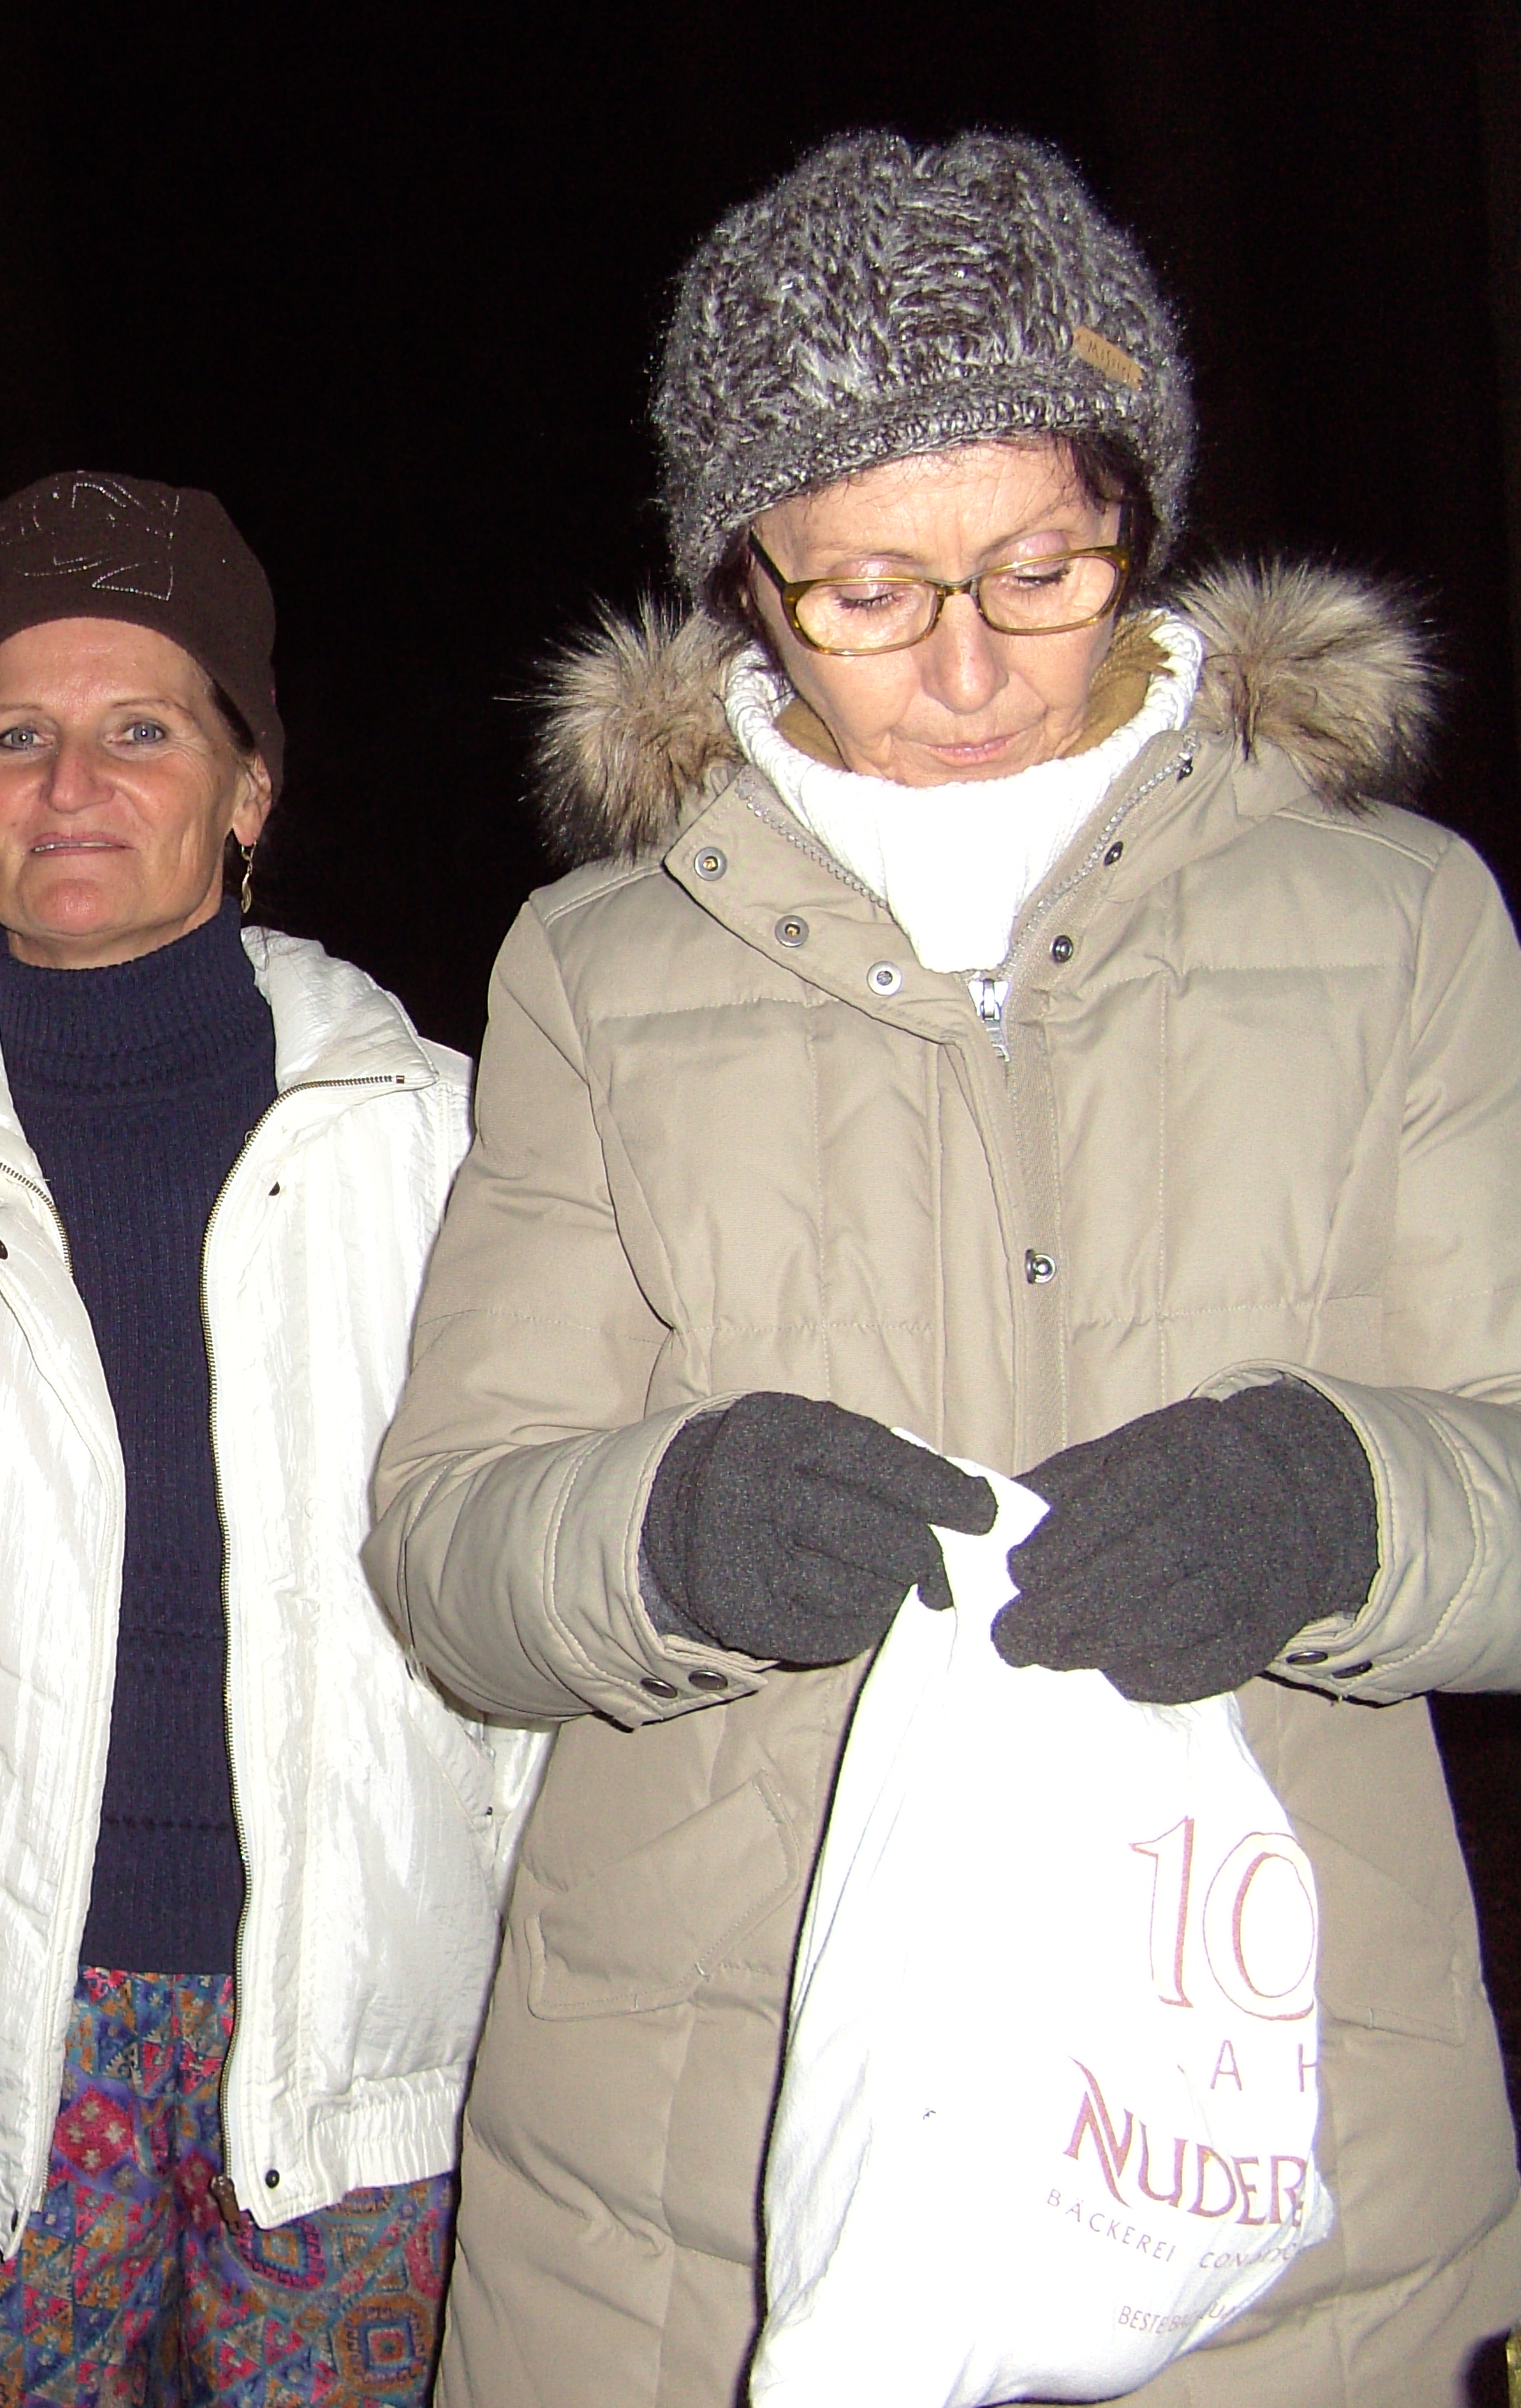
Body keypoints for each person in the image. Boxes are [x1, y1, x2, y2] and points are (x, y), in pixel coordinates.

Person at [365, 128, 1521, 2404]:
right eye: (871, 592)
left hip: (1264, 2156)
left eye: (1040, 567)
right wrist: (667, 1533)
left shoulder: (1399, 919)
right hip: (700, 2203)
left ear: (1139, 518)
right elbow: (451, 1554)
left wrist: (1341, 1503)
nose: (974, 664)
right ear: (745, 578)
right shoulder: (598, 965)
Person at [0, 470, 543, 2402]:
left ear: (249, 791)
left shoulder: (462, 1154)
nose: (70, 782)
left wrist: (555, 2044)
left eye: (141, 729)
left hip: (375, 2050)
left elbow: (543, 1648)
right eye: (17, 736)